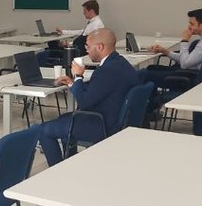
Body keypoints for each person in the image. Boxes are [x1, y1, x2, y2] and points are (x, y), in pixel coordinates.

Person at [39, 28, 139, 166]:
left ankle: (56, 171)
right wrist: (72, 83)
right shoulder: (121, 63)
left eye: (88, 46)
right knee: (64, 119)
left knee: (44, 130)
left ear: (100, 47)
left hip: (102, 124)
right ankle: (69, 163)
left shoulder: (105, 71)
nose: (86, 50)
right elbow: (97, 91)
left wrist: (78, 76)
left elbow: (85, 102)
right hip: (117, 120)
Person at [40, 0, 104, 64]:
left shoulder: (95, 25)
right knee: (52, 44)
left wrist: (68, 44)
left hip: (75, 52)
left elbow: (82, 43)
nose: (83, 13)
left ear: (92, 11)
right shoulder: (94, 23)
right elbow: (81, 32)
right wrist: (64, 31)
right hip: (76, 49)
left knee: (51, 46)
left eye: (85, 11)